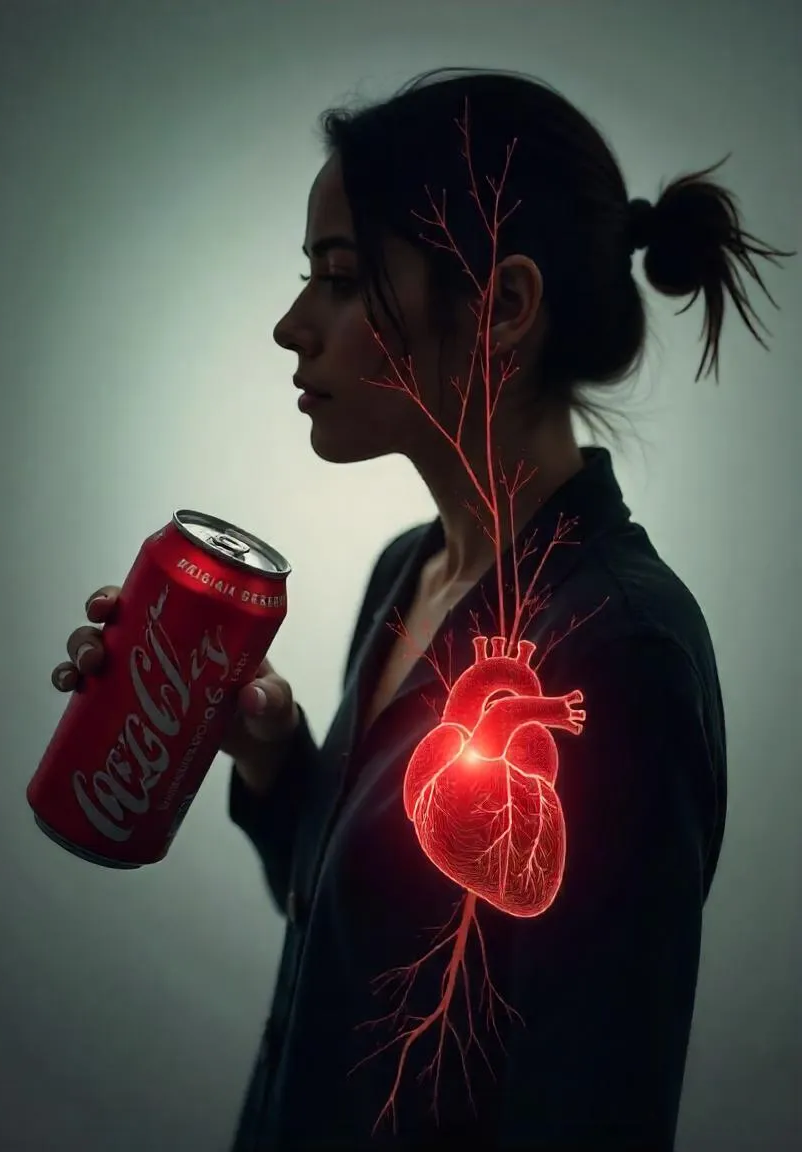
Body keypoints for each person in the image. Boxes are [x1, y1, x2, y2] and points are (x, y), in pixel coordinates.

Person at [51, 69, 793, 1151]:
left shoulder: (616, 655)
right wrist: (268, 752)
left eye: (341, 280)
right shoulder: (412, 574)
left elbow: (593, 1105)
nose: (291, 325)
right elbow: (368, 945)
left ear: (502, 307)